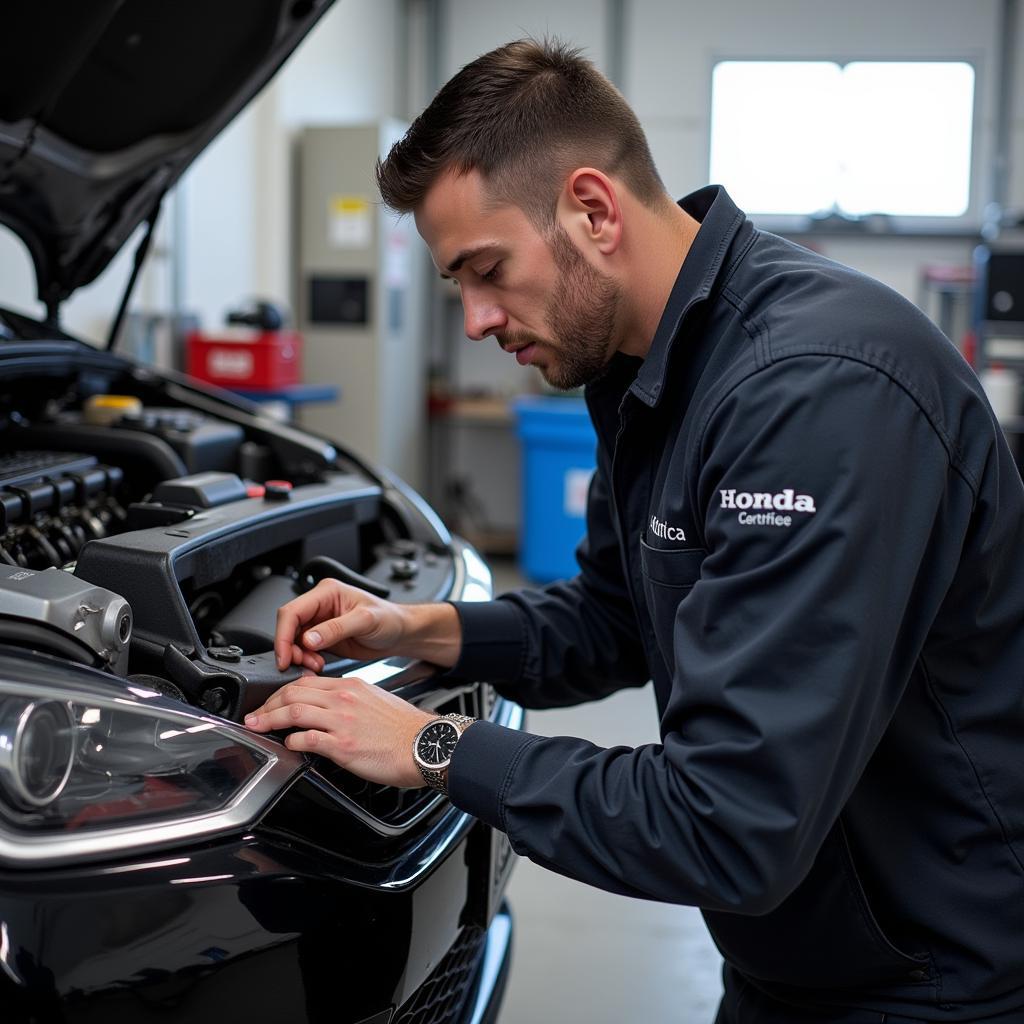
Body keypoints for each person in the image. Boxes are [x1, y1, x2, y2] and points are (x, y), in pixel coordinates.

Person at [244, 38, 1024, 1024]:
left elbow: (730, 822)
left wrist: (438, 745)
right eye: (458, 287)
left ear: (592, 209)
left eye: (487, 270)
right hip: (804, 953)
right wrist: (413, 631)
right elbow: (617, 619)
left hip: (928, 980)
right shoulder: (648, 365)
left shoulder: (815, 395)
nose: (477, 320)